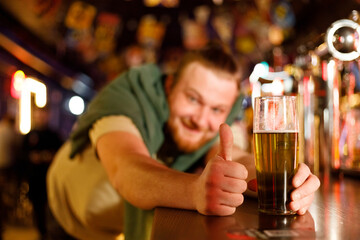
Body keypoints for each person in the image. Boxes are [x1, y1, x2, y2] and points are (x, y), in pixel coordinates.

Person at [47, 42, 320, 240]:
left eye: (216, 110)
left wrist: (281, 178)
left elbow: (232, 155)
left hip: (116, 230)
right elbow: (128, 169)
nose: (201, 120)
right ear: (169, 87)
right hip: (70, 220)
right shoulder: (129, 95)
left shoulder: (217, 118)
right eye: (193, 99)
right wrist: (194, 191)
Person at [22, 107, 63, 240]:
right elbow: (22, 155)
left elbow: (61, 155)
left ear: (48, 115)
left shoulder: (53, 135)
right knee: (37, 206)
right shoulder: (29, 135)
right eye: (38, 114)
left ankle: (51, 232)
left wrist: (48, 156)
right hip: (35, 178)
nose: (40, 117)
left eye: (43, 114)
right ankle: (42, 232)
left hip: (49, 178)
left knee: (51, 206)